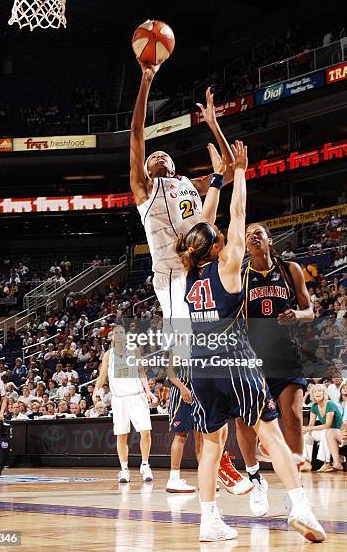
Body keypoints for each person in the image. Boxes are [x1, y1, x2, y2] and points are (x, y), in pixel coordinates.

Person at [176, 141, 325, 543]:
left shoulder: (189, 274)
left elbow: (201, 229)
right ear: (219, 245)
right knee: (270, 434)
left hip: (200, 368)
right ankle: (301, 508)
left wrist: (216, 181)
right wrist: (239, 172)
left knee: (211, 447)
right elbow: (237, 214)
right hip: (235, 361)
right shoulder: (228, 267)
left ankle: (209, 522)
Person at [130, 62, 246, 494]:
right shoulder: (144, 188)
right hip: (172, 281)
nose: (158, 154)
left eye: (165, 154)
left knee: (211, 362)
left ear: (174, 164)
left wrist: (214, 125)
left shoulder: (187, 186)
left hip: (199, 272)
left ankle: (222, 454)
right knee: (195, 364)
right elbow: (138, 132)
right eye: (153, 155)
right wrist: (145, 82)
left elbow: (230, 171)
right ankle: (220, 460)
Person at [236, 222, 314, 516]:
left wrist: (298, 315)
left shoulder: (289, 270)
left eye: (259, 233)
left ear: (270, 240)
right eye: (248, 236)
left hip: (285, 355)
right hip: (252, 358)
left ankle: (296, 489)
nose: (253, 238)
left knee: (293, 418)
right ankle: (256, 480)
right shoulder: (241, 276)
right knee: (244, 423)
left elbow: (310, 310)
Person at [94, 325, 154, 483]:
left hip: (137, 396)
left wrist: (148, 391)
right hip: (119, 399)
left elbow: (141, 372)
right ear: (113, 337)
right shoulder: (109, 355)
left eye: (122, 332)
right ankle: (124, 469)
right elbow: (102, 375)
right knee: (122, 435)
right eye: (116, 333)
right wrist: (95, 391)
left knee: (145, 432)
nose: (119, 335)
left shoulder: (133, 350)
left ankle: (145, 465)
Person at [301, 384, 342, 472]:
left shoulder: (330, 404)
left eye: (320, 391)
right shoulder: (314, 406)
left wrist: (309, 428)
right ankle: (306, 462)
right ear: (312, 395)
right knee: (307, 435)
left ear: (324, 393)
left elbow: (328, 425)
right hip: (327, 431)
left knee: (325, 432)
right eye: (315, 392)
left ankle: (326, 463)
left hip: (337, 432)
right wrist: (305, 429)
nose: (317, 393)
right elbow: (311, 424)